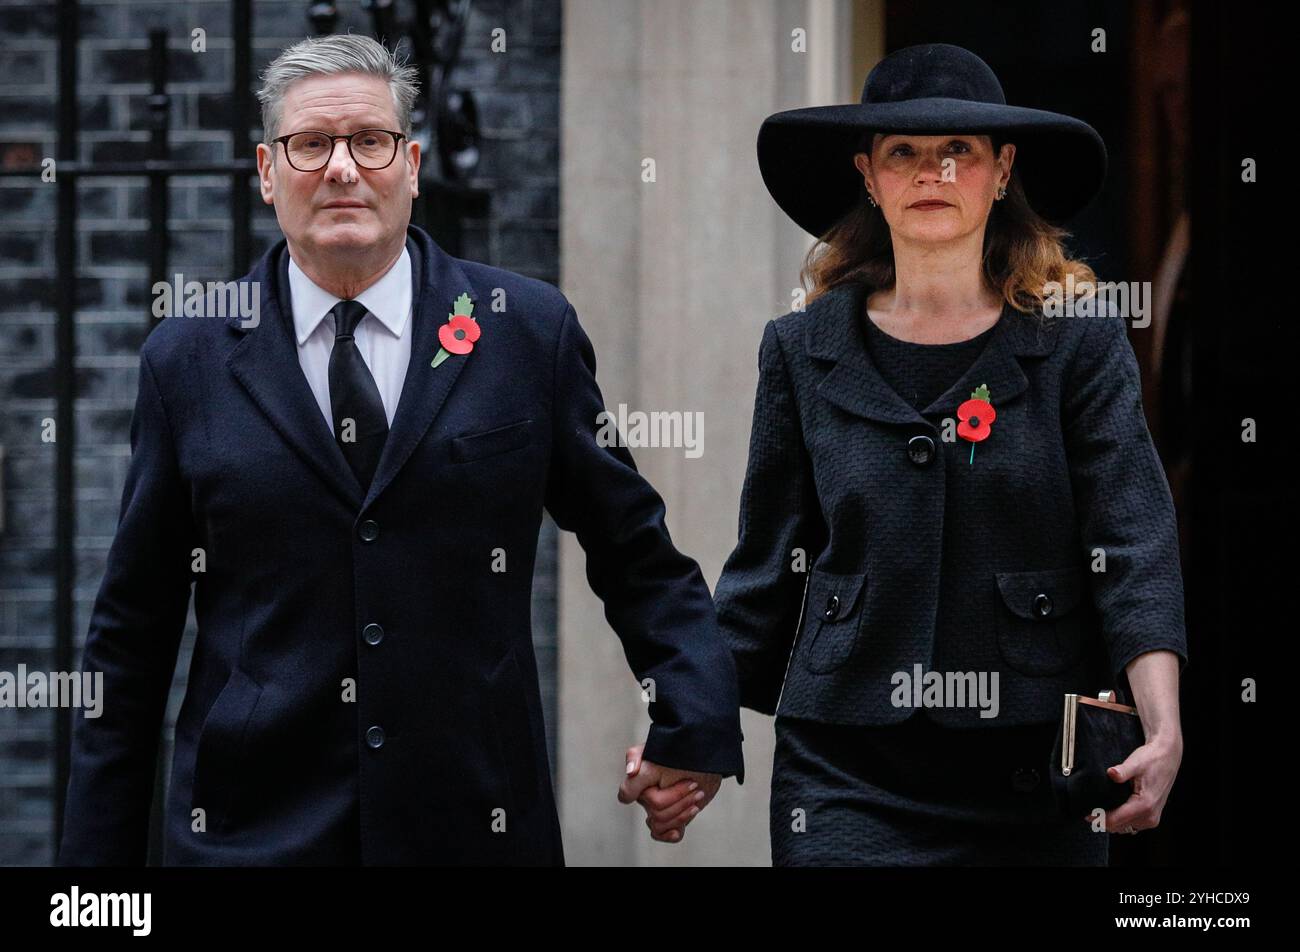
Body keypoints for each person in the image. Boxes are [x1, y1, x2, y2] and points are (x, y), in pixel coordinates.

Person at [57, 33, 742, 866]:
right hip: (250, 836)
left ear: (411, 164)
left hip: (475, 823)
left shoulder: (525, 332)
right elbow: (131, 635)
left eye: (369, 141)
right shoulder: (187, 360)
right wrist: (91, 884)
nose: (342, 168)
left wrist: (694, 717)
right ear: (267, 172)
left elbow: (636, 552)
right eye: (310, 144)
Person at [702, 43, 1187, 864]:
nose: (933, 172)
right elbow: (763, 570)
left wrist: (1163, 721)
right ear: (868, 174)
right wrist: (695, 731)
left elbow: (1132, 545)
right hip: (845, 767)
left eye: (959, 150)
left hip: (1032, 769)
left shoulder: (1078, 346)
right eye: (905, 153)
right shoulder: (800, 349)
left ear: (1002, 172)